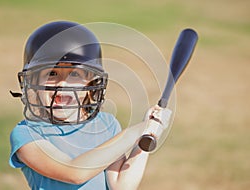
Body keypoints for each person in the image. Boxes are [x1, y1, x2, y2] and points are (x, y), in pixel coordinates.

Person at [9, 21, 172, 190]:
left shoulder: (106, 125)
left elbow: (121, 186)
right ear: (32, 81)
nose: (62, 84)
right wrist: (138, 130)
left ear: (90, 84)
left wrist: (148, 134)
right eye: (52, 73)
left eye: (74, 74)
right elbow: (73, 172)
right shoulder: (26, 134)